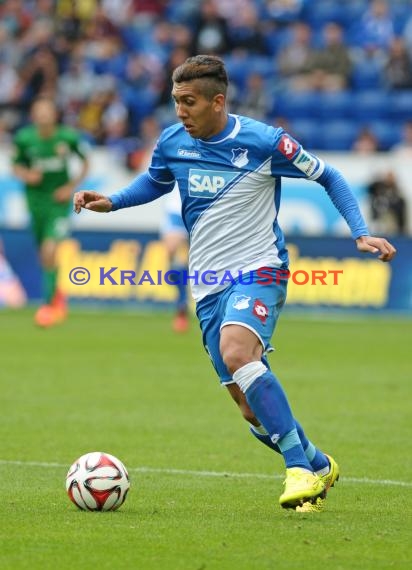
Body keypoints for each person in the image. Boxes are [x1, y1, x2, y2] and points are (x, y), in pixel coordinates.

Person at [74, 55, 396, 512]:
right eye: (175, 101)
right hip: (207, 283)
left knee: (238, 352)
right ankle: (319, 464)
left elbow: (330, 176)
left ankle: (297, 471)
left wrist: (360, 232)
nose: (180, 111)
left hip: (259, 268)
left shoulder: (265, 143)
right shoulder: (173, 142)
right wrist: (112, 202)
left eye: (188, 102)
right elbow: (155, 182)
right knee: (249, 407)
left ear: (217, 101)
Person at [13, 96, 89, 327]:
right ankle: (57, 295)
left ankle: (47, 307)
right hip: (35, 202)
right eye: (39, 112)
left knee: (49, 249)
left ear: (54, 115)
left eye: (47, 111)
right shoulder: (25, 139)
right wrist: (27, 176)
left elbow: (86, 162)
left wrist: (69, 188)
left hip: (58, 203)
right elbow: (16, 164)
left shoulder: (67, 137)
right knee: (44, 254)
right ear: (34, 115)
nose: (43, 116)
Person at [160, 184, 190, 333]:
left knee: (196, 258)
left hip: (202, 208)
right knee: (171, 250)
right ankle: (181, 305)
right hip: (176, 208)